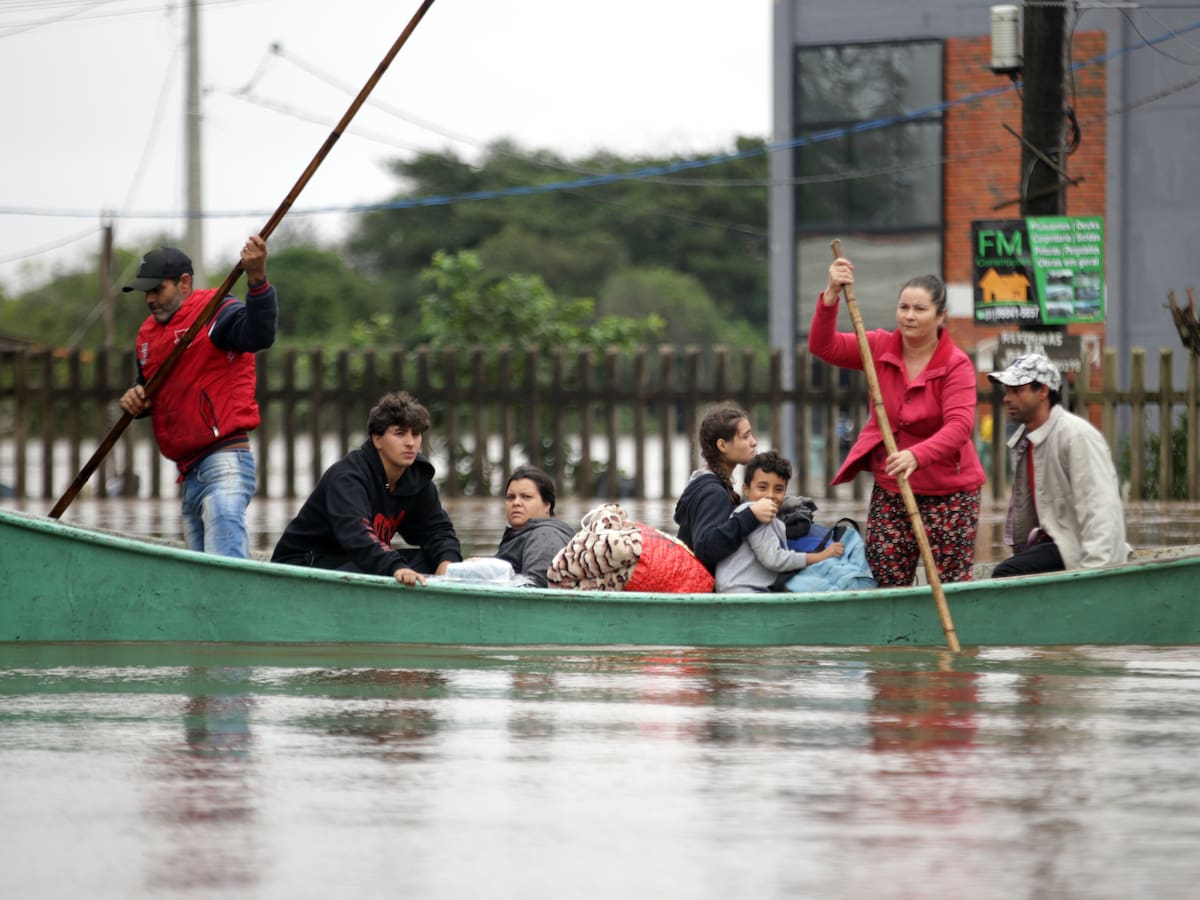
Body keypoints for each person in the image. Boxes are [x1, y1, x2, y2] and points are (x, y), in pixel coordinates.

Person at [812, 255, 986, 586]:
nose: (909, 316)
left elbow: (960, 427)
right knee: (886, 579)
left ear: (940, 316)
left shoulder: (956, 364)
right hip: (893, 488)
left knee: (950, 584)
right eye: (903, 307)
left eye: (920, 309)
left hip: (950, 493)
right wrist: (832, 293)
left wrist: (916, 455)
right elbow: (824, 346)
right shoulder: (878, 346)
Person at [119, 239, 277, 558]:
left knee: (223, 569)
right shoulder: (147, 336)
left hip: (224, 464)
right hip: (188, 475)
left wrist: (257, 278)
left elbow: (260, 334)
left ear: (184, 283)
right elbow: (148, 389)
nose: (149, 299)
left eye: (157, 290)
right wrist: (135, 401)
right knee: (202, 579)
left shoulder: (216, 312)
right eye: (145, 292)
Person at [271, 391, 463, 586]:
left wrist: (447, 564)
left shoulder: (416, 478)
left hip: (357, 561)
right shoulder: (348, 478)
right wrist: (396, 567)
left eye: (416, 434)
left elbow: (438, 530)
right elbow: (357, 535)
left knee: (432, 559)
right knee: (385, 567)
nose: (410, 442)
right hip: (306, 564)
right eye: (400, 433)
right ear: (377, 439)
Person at [988, 353, 1131, 577]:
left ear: (1043, 391)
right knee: (1012, 568)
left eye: (1017, 390)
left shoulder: (1075, 436)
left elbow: (1100, 508)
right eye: (1007, 391)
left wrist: (1097, 571)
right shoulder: (1027, 440)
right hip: (1052, 545)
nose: (1007, 398)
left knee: (1006, 573)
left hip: (1079, 551)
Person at [714, 450, 844, 593]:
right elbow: (774, 559)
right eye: (762, 487)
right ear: (746, 489)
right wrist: (821, 556)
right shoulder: (754, 511)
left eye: (778, 489)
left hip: (741, 588)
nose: (770, 495)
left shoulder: (759, 513)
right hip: (741, 591)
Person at [673, 403, 777, 574]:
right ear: (722, 445)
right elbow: (706, 547)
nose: (754, 442)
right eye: (746, 437)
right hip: (704, 588)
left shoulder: (711, 484)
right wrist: (751, 516)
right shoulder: (713, 493)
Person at [494, 465, 574, 587]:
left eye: (526, 497)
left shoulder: (545, 535)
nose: (516, 503)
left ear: (547, 504)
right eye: (511, 497)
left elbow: (535, 589)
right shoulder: (523, 535)